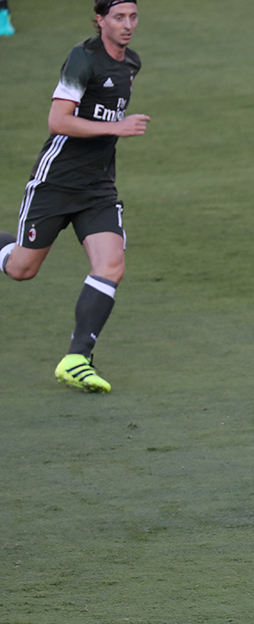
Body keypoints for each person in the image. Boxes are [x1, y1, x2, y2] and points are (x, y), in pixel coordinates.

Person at [0, 1, 149, 392]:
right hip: (57, 181)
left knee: (111, 264)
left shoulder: (130, 63)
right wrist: (115, 127)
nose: (127, 25)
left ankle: (77, 359)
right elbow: (58, 120)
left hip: (98, 186)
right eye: (119, 17)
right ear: (100, 20)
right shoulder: (82, 59)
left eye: (133, 16)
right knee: (21, 269)